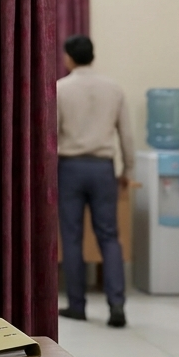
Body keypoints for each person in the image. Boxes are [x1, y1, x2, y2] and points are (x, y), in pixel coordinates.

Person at [57, 35, 133, 328]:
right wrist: (128, 169)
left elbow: (52, 133)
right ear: (93, 56)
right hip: (103, 168)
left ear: (69, 58)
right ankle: (117, 305)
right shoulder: (113, 89)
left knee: (72, 237)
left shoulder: (61, 89)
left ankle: (77, 305)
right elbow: (126, 134)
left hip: (71, 168)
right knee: (109, 236)